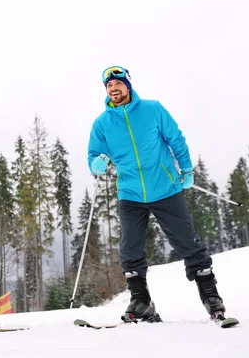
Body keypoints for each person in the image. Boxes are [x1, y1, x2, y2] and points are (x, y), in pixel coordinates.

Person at [87, 66, 228, 322]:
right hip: (130, 194)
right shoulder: (102, 123)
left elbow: (176, 139)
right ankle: (141, 301)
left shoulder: (153, 109)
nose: (113, 89)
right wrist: (95, 162)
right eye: (109, 86)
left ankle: (210, 296)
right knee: (130, 249)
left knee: (188, 242)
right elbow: (93, 155)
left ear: (128, 86)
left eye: (118, 84)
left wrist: (186, 169)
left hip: (165, 188)